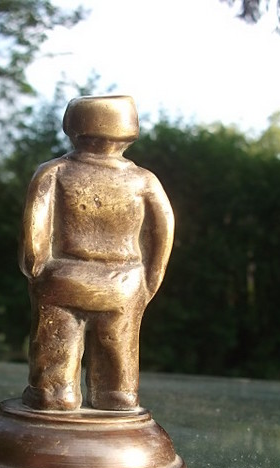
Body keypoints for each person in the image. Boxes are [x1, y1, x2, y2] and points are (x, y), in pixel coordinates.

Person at [19, 95, 174, 411]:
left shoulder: (53, 172)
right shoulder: (144, 180)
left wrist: (34, 269)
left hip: (64, 278)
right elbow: (164, 229)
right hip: (124, 282)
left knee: (55, 348)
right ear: (130, 131)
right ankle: (116, 395)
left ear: (72, 127)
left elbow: (34, 230)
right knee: (118, 346)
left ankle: (53, 395)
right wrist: (149, 281)